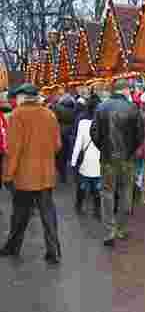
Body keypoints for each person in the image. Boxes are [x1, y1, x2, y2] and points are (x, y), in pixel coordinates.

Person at [0, 84, 62, 264]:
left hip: (24, 176)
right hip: (45, 174)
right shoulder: (49, 114)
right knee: (48, 214)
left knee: (19, 215)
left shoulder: (17, 115)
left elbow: (14, 149)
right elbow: (57, 145)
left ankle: (12, 246)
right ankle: (54, 251)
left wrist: (8, 175)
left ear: (22, 97)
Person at [90, 79, 144, 247]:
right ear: (126, 90)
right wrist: (130, 150)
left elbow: (94, 133)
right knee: (126, 191)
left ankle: (109, 230)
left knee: (107, 192)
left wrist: (104, 147)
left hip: (107, 158)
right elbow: (139, 135)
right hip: (127, 158)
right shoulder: (133, 108)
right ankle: (120, 227)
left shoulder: (101, 107)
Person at [71, 94, 102, 218]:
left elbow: (78, 144)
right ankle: (97, 210)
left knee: (82, 185)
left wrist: (73, 161)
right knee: (97, 188)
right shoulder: (104, 122)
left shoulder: (83, 123)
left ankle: (79, 205)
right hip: (99, 160)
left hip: (85, 160)